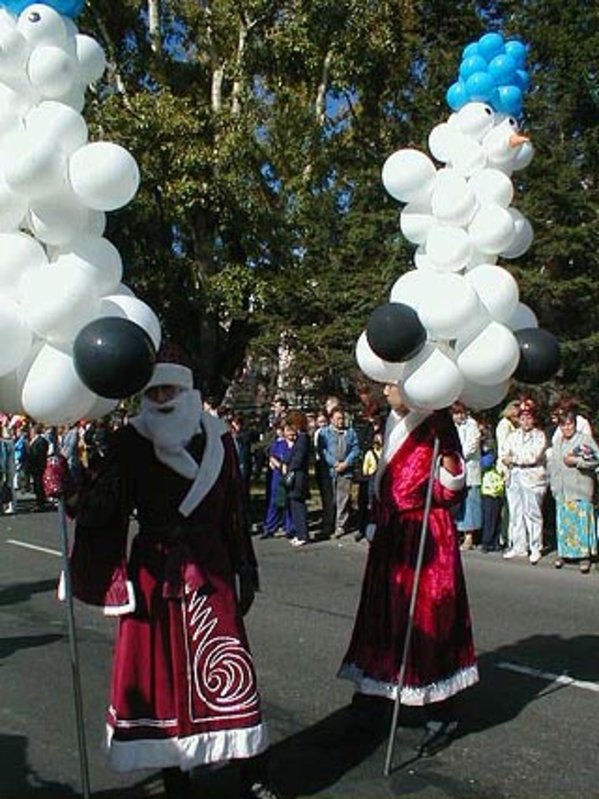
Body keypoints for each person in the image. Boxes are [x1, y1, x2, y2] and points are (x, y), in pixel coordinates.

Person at [64, 350, 280, 799]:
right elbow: (102, 506)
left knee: (230, 666)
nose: (162, 398)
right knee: (158, 674)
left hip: (211, 567)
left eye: (170, 389)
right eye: (154, 391)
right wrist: (69, 485)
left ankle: (252, 771)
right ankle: (175, 776)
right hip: (154, 572)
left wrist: (245, 566)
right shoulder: (129, 441)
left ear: (187, 391)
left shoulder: (220, 439)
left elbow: (235, 510)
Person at [339, 383, 478, 756]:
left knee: (428, 619)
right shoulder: (391, 421)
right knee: (382, 616)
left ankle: (440, 711)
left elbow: (452, 489)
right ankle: (375, 697)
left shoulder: (436, 424)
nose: (385, 390)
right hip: (391, 535)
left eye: (392, 384)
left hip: (424, 537)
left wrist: (447, 457)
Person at [549, 409, 599, 573]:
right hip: (562, 490)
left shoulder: (584, 439)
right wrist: (554, 487)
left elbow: (595, 459)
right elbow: (553, 467)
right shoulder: (557, 443)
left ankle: (584, 556)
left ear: (575, 425)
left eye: (569, 424)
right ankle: (564, 554)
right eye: (563, 425)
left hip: (580, 489)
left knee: (581, 523)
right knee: (564, 524)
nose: (567, 428)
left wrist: (576, 461)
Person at [501, 399, 548, 565]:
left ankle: (536, 547)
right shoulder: (513, 436)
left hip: (532, 477)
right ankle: (519, 545)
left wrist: (513, 458)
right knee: (516, 512)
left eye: (528, 418)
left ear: (533, 419)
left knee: (532, 513)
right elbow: (504, 454)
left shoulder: (539, 436)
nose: (525, 421)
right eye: (522, 418)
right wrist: (509, 460)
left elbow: (532, 456)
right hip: (514, 476)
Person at [318, 405, 360, 539]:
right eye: (338, 419)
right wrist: (334, 463)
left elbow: (355, 449)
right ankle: (328, 525)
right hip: (330, 471)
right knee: (329, 499)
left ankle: (340, 525)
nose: (341, 421)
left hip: (346, 470)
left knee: (343, 499)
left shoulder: (351, 432)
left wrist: (346, 463)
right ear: (331, 419)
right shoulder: (324, 433)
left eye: (342, 418)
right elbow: (323, 451)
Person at [451, 402, 482, 551]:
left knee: (470, 503)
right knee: (456, 503)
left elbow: (471, 446)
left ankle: (469, 536)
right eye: (456, 413)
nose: (459, 416)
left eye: (461, 413)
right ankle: (455, 533)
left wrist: (456, 455)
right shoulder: (451, 426)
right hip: (455, 470)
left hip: (469, 469)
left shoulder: (471, 425)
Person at [281, 410, 311, 548]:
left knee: (298, 506)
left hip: (298, 476)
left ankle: (303, 535)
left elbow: (298, 457)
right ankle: (300, 534)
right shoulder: (300, 437)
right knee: (295, 505)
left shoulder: (303, 438)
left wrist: (290, 467)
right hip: (297, 475)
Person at [29, 423, 49, 511]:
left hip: (38, 466)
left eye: (32, 431)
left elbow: (39, 454)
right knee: (37, 485)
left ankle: (40, 503)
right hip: (35, 466)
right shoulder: (36, 440)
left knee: (39, 485)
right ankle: (40, 501)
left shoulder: (40, 441)